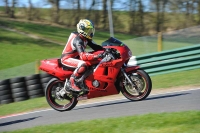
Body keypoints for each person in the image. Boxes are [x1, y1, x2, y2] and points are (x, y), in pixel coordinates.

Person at [61, 19, 104, 92]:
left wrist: (107, 49)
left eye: (91, 30)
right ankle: (72, 82)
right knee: (83, 64)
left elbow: (95, 47)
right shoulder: (78, 40)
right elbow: (83, 56)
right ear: (82, 30)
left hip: (75, 57)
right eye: (88, 30)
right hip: (67, 59)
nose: (90, 33)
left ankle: (83, 81)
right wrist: (97, 56)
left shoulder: (85, 38)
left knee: (92, 62)